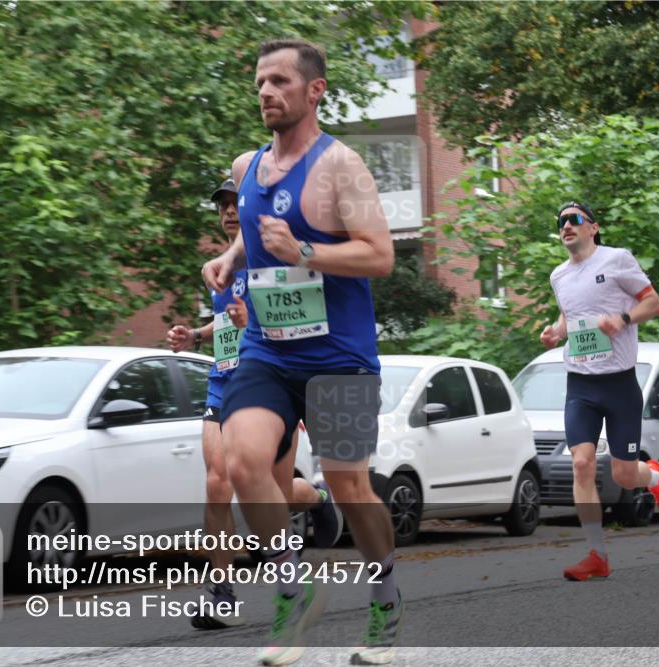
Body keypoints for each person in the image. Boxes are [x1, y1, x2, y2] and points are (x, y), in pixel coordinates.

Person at [202, 39, 400, 666]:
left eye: (281, 81)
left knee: (349, 488)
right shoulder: (246, 167)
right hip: (268, 350)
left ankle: (385, 598)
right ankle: (295, 590)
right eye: (260, 81)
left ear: (313, 90)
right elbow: (255, 238)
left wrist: (305, 253)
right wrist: (230, 256)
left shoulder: (342, 168)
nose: (266, 92)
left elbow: (380, 255)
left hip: (339, 354)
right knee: (242, 465)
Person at [167, 178, 343, 631]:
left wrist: (256, 320)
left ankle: (318, 498)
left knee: (279, 496)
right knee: (216, 482)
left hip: (268, 385)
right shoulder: (220, 266)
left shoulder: (270, 257)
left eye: (234, 204)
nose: (228, 212)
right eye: (222, 206)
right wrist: (196, 336)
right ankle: (221, 592)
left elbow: (298, 316)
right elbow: (226, 319)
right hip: (224, 380)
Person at [539, 201, 659, 582]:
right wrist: (556, 333)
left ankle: (653, 477)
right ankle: (596, 554)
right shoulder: (558, 276)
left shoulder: (617, 260)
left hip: (619, 383)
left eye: (574, 219)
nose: (566, 225)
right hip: (580, 383)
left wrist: (623, 318)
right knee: (581, 464)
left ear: (593, 227)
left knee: (622, 476)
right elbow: (570, 315)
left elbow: (653, 302)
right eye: (561, 221)